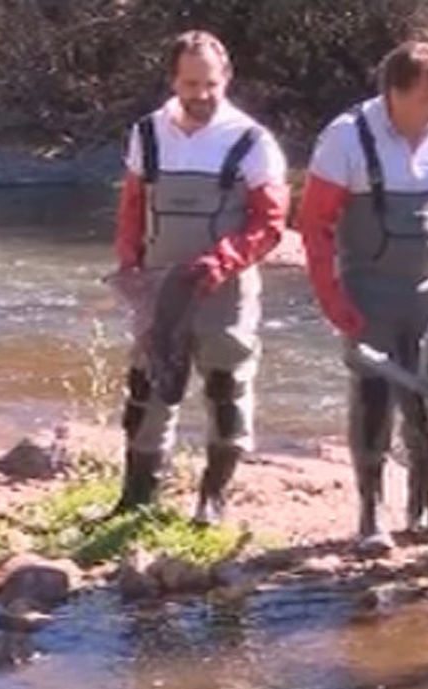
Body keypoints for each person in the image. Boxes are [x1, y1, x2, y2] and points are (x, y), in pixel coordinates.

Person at [298, 41, 428, 554]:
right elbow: (314, 226)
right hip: (368, 294)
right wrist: (333, 301)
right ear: (394, 95)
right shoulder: (346, 139)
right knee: (373, 399)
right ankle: (370, 510)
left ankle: (422, 505)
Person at [110, 30, 290, 525]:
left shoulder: (252, 141)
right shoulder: (146, 134)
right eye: (191, 84)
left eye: (210, 83)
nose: (201, 94)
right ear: (173, 80)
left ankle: (212, 502)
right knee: (147, 390)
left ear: (226, 78)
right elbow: (131, 206)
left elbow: (271, 223)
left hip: (224, 291)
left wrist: (225, 259)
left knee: (226, 391)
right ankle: (136, 501)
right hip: (159, 286)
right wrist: (128, 264)